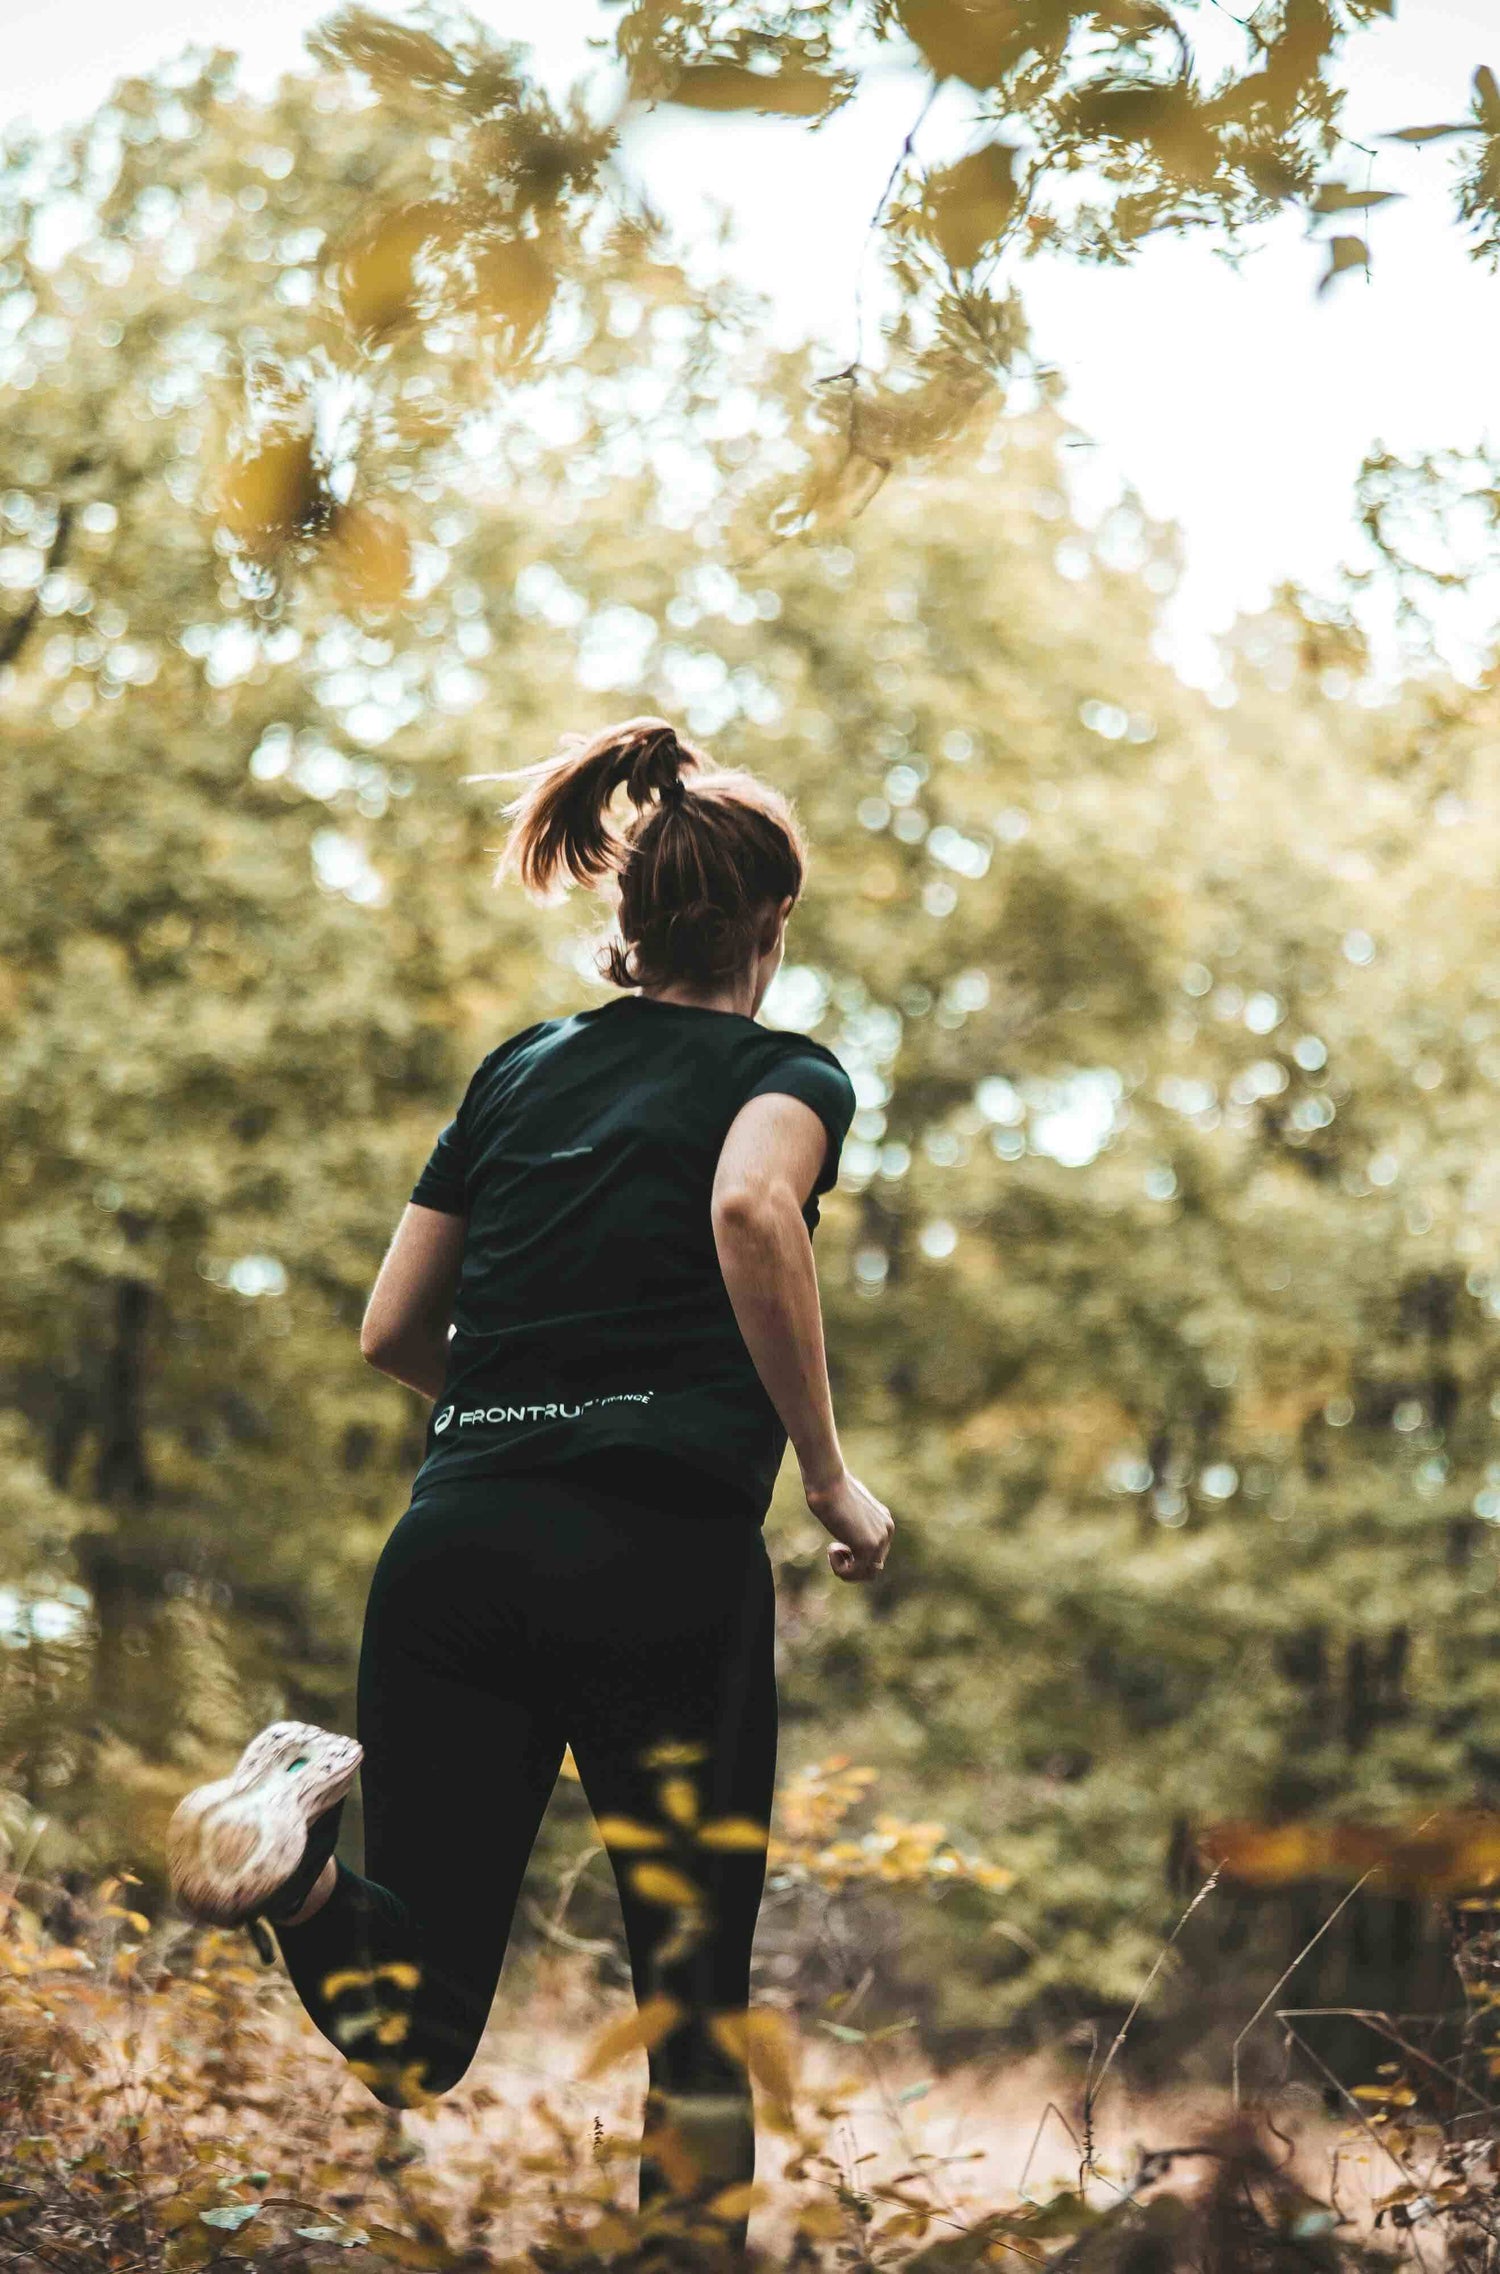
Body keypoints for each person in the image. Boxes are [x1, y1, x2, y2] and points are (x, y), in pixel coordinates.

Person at [166, 715, 893, 2247]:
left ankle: (293, 1858)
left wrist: (525, 1407)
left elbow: (390, 1330)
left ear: (626, 924)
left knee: (411, 2033)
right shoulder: (790, 1073)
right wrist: (826, 1474)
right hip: (661, 1570)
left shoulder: (520, 1071)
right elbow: (755, 1206)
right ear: (773, 922)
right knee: (691, 2012)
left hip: (459, 1550)